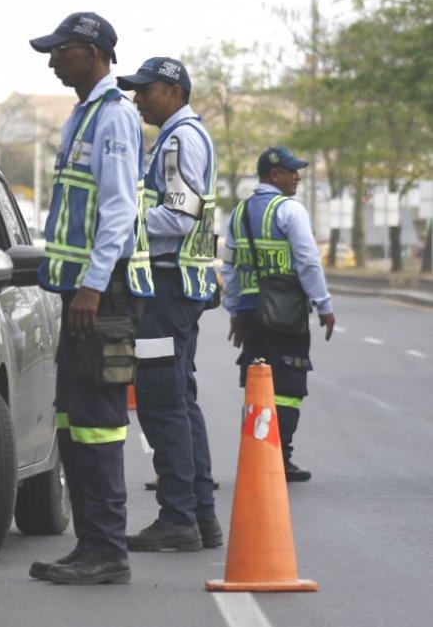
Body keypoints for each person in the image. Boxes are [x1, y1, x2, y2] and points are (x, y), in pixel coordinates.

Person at [26, 12, 152, 585]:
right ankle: (92, 545)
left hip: (102, 294)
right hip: (82, 293)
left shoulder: (115, 117)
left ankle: (106, 551)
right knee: (74, 421)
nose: (52, 61)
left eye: (62, 51)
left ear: (94, 54)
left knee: (98, 422)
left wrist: (94, 285)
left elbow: (120, 209)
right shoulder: (83, 115)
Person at [117, 58, 222, 551]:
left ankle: (178, 518)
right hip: (180, 288)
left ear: (174, 92)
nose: (138, 100)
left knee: (161, 402)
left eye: (146, 91)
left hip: (167, 287)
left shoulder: (180, 139)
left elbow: (179, 216)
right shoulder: (184, 135)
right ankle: (199, 516)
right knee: (179, 399)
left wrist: (124, 228)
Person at [221, 147, 335, 482]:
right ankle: (279, 457)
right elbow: (308, 261)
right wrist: (324, 305)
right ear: (275, 175)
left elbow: (229, 267)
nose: (297, 176)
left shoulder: (238, 213)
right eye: (292, 170)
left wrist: (235, 312)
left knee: (257, 382)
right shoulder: (290, 210)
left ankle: (259, 452)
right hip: (285, 312)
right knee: (287, 384)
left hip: (251, 313)